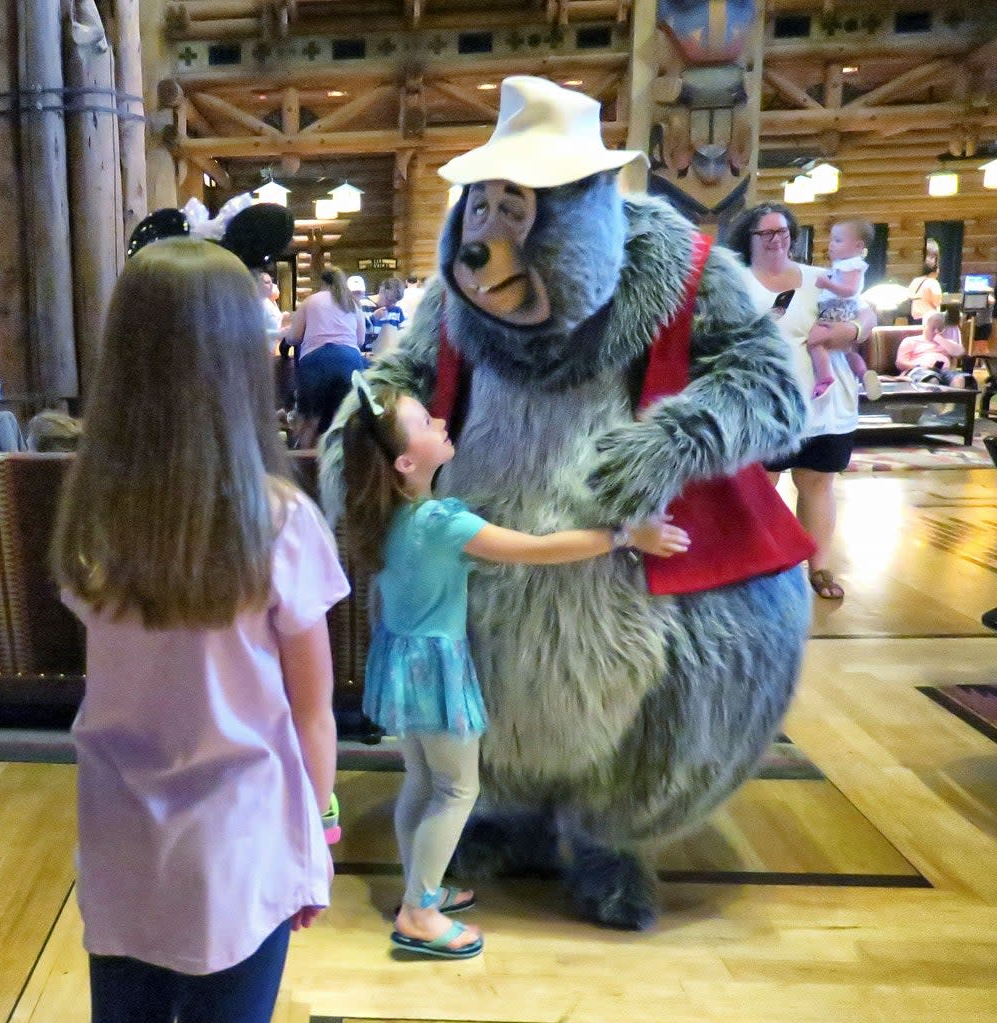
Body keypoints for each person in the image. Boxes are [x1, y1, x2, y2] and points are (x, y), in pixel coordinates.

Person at [52, 237, 347, 1023]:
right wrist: (318, 829)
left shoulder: (93, 513)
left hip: (119, 831)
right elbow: (312, 707)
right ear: (239, 362)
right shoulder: (280, 521)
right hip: (241, 842)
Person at [339, 376, 689, 959]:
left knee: (424, 783)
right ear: (404, 460)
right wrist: (626, 534)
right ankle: (419, 913)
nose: (441, 422)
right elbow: (536, 550)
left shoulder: (394, 518)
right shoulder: (443, 523)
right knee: (456, 788)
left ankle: (418, 890)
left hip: (404, 661)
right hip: (437, 669)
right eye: (426, 424)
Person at [730, 201, 877, 601]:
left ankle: (820, 565)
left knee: (817, 481)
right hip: (765, 406)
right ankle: (759, 562)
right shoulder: (735, 282)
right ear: (750, 237)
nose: (776, 240)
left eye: (783, 232)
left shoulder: (821, 278)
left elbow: (868, 312)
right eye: (766, 232)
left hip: (826, 405)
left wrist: (851, 329)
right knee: (761, 484)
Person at [282, 268, 366, 448]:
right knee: (340, 421)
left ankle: (304, 469)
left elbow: (294, 337)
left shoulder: (311, 301)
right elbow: (360, 340)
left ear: (323, 283)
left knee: (310, 420)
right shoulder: (352, 304)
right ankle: (338, 467)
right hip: (349, 361)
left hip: (316, 361)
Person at [810, 219, 880, 401]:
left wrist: (827, 283)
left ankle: (825, 377)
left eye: (838, 240)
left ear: (858, 246)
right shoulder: (843, 266)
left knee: (814, 342)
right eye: (832, 240)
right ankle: (863, 374)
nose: (831, 245)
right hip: (842, 311)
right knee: (847, 352)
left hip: (837, 310)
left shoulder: (850, 266)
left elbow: (850, 291)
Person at [895, 309, 970, 387]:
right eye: (933, 328)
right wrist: (920, 365)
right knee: (932, 379)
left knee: (959, 379)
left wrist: (940, 340)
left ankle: (953, 399)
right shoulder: (911, 340)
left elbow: (960, 352)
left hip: (944, 371)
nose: (936, 331)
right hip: (919, 370)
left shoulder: (946, 342)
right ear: (924, 326)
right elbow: (900, 363)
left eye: (940, 328)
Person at [907, 257, 942, 325]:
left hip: (914, 317)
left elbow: (909, 295)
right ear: (935, 271)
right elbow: (937, 302)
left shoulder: (915, 281)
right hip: (929, 318)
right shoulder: (933, 283)